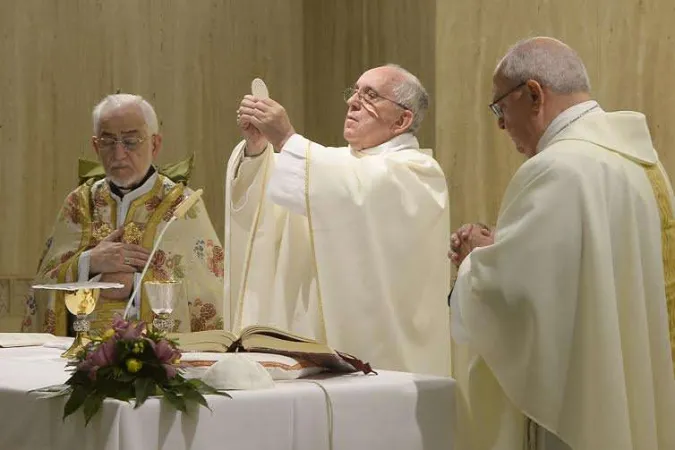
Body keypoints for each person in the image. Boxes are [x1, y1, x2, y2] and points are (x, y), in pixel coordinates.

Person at [448, 37, 675, 450]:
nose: (500, 124)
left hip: (584, 404)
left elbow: (516, 302)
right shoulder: (641, 164)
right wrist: (507, 246)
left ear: (534, 94)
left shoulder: (558, 168)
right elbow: (594, 268)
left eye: (500, 107)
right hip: (634, 389)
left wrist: (473, 261)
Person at [225, 64, 451, 375]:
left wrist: (287, 139)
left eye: (370, 95)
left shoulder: (417, 173)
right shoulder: (335, 165)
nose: (353, 101)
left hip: (385, 364)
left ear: (402, 119)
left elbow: (357, 186)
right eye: (354, 92)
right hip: (308, 352)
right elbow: (279, 195)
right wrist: (258, 149)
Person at [23, 94, 224, 335]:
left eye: (130, 141)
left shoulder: (182, 205)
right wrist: (88, 263)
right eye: (108, 142)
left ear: (155, 144)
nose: (118, 155)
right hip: (81, 356)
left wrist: (135, 286)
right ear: (96, 146)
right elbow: (43, 286)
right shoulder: (79, 203)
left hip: (155, 359)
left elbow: (207, 292)